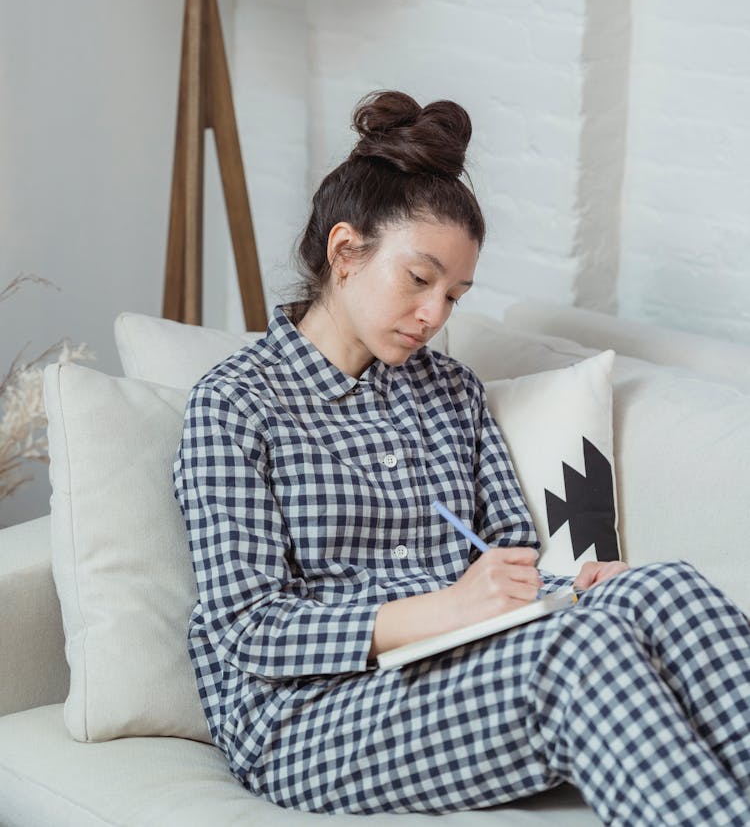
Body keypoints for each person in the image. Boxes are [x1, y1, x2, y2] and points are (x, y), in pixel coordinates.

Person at [175, 90, 750, 824]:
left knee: (666, 588)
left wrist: (570, 583)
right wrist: (444, 607)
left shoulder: (451, 390)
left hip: (462, 661)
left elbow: (506, 560)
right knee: (585, 652)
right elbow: (247, 628)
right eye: (420, 280)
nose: (435, 316)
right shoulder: (236, 404)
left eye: (455, 295)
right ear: (345, 252)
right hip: (310, 714)